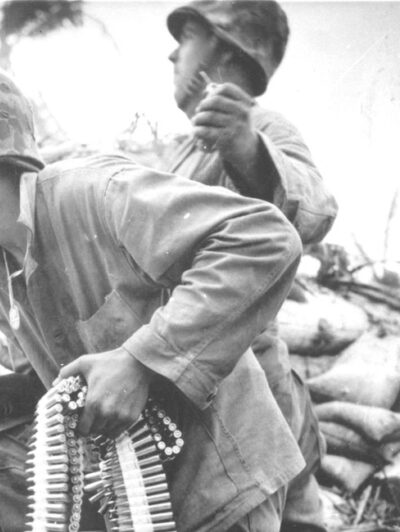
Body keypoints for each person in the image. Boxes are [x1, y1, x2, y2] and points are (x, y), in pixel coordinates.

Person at [0, 54, 307, 531]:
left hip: (217, 488)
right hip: (122, 494)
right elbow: (47, 396)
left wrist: (140, 361)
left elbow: (265, 238)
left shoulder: (94, 194)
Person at [163, 2, 338, 530]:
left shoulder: (263, 127)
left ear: (220, 47)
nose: (172, 51)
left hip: (249, 394)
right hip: (189, 384)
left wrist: (248, 149)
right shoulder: (180, 150)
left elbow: (315, 206)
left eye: (187, 36)